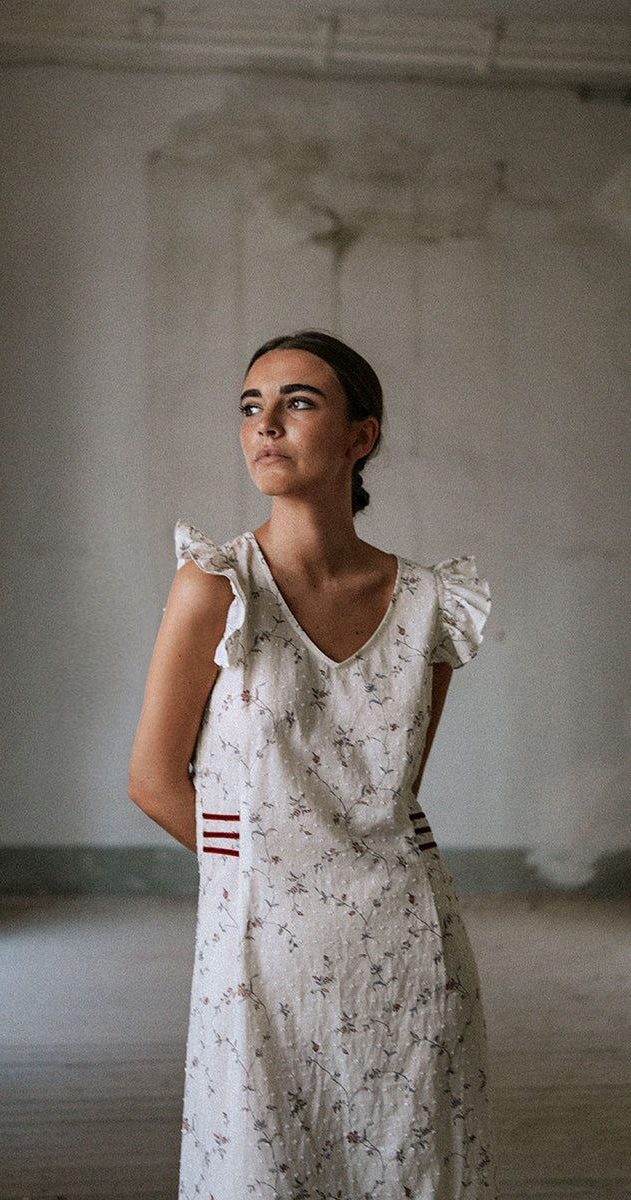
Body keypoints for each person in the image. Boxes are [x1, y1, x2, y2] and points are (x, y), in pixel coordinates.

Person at [129, 330, 495, 1199]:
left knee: (411, 1167)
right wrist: (265, 868)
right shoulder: (216, 586)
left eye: (298, 402)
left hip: (409, 947)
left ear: (361, 436)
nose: (266, 425)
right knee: (261, 1168)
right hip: (260, 948)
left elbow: (394, 789)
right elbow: (153, 781)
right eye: (251, 406)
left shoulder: (430, 602)